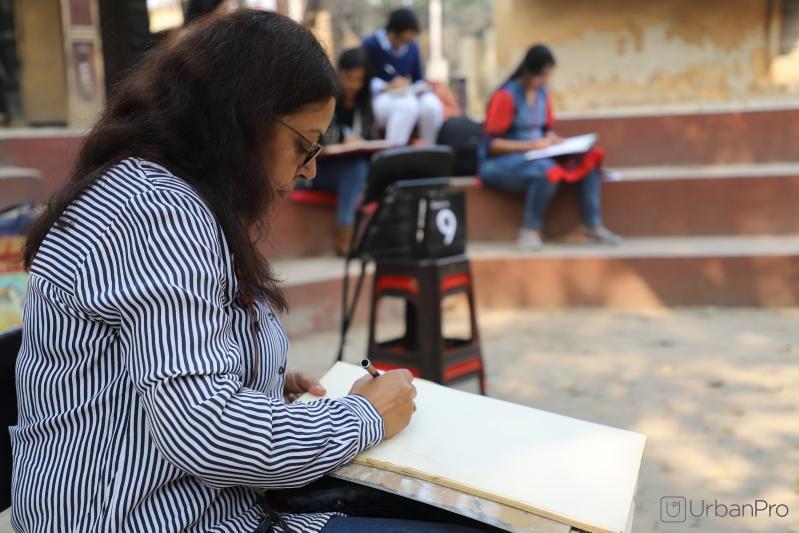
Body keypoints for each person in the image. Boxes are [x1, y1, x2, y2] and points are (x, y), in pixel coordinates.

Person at [12, 10, 479, 532]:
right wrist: (363, 416)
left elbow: (168, 376)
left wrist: (260, 387)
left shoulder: (167, 195)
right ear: (243, 121)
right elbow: (207, 433)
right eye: (304, 145)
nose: (310, 169)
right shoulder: (157, 211)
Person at [479, 44, 621, 250]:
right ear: (528, 72)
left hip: (539, 155)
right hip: (502, 163)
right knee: (546, 171)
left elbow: (546, 129)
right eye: (541, 76)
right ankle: (529, 229)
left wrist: (554, 140)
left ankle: (592, 226)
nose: (545, 81)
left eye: (547, 76)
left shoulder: (543, 93)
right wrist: (531, 145)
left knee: (588, 158)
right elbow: (493, 144)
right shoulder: (506, 96)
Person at [307, 47, 375, 256]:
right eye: (348, 77)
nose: (353, 84)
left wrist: (361, 143)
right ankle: (346, 233)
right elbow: (318, 139)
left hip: (354, 170)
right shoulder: (326, 99)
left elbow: (371, 138)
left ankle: (349, 234)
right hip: (322, 170)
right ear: (339, 73)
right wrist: (343, 139)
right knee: (356, 170)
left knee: (358, 168)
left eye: (358, 80)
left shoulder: (365, 105)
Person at [362, 8, 443, 146]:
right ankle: (393, 153)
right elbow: (362, 80)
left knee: (432, 105)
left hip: (407, 93)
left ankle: (430, 148)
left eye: (409, 41)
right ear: (392, 33)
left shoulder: (412, 47)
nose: (405, 44)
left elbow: (418, 78)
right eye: (403, 40)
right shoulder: (370, 44)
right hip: (379, 99)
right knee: (407, 106)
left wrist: (414, 86)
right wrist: (386, 86)